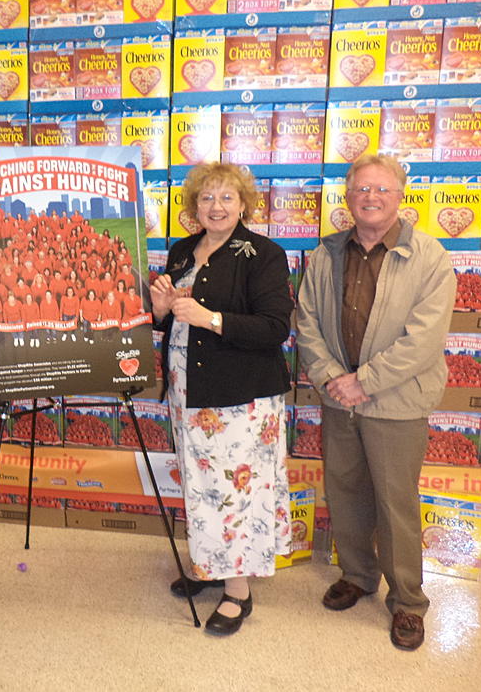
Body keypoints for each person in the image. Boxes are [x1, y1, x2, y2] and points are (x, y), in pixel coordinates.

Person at [296, 154, 454, 651]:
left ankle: (408, 601)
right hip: (339, 401)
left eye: (382, 189)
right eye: (362, 189)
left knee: (395, 504)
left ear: (400, 196)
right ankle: (358, 576)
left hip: (397, 403)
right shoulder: (325, 255)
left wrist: (365, 381)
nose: (370, 197)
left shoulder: (429, 256)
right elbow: (307, 324)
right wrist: (329, 378)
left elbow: (422, 340)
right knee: (345, 492)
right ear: (347, 197)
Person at [150, 162, 293, 636]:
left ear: (243, 204)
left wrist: (211, 318)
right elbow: (170, 322)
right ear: (194, 207)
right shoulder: (181, 251)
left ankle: (238, 591)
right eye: (207, 198)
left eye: (226, 198)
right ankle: (207, 563)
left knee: (237, 491)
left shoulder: (264, 254)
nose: (216, 207)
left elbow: (275, 328)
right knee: (198, 483)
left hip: (240, 399)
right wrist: (161, 310)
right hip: (188, 390)